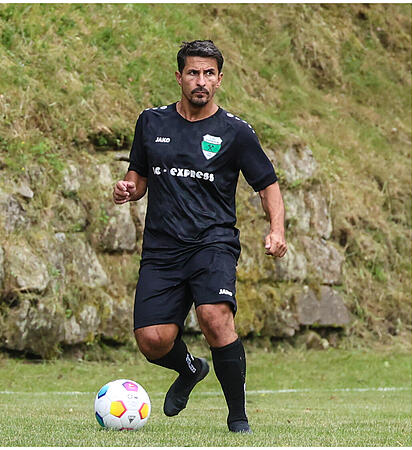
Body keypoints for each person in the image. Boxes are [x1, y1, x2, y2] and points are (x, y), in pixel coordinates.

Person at [112, 40, 286, 434]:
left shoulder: (235, 132)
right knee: (152, 340)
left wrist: (276, 229)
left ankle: (238, 417)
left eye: (209, 74)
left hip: (213, 243)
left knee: (214, 317)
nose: (200, 81)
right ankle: (190, 370)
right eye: (193, 72)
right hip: (162, 248)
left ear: (219, 79)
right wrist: (126, 189)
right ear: (179, 77)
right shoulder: (151, 122)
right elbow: (136, 178)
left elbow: (267, 185)